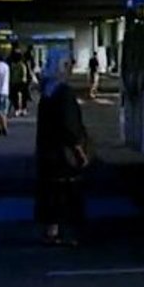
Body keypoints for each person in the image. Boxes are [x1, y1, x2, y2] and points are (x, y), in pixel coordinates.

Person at [34, 51, 89, 246]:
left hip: (47, 151)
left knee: (51, 193)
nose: (70, 69)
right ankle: (72, 234)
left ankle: (52, 231)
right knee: (69, 193)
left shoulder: (47, 91)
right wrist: (80, 152)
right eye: (67, 65)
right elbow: (70, 126)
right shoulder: (64, 93)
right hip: (63, 155)